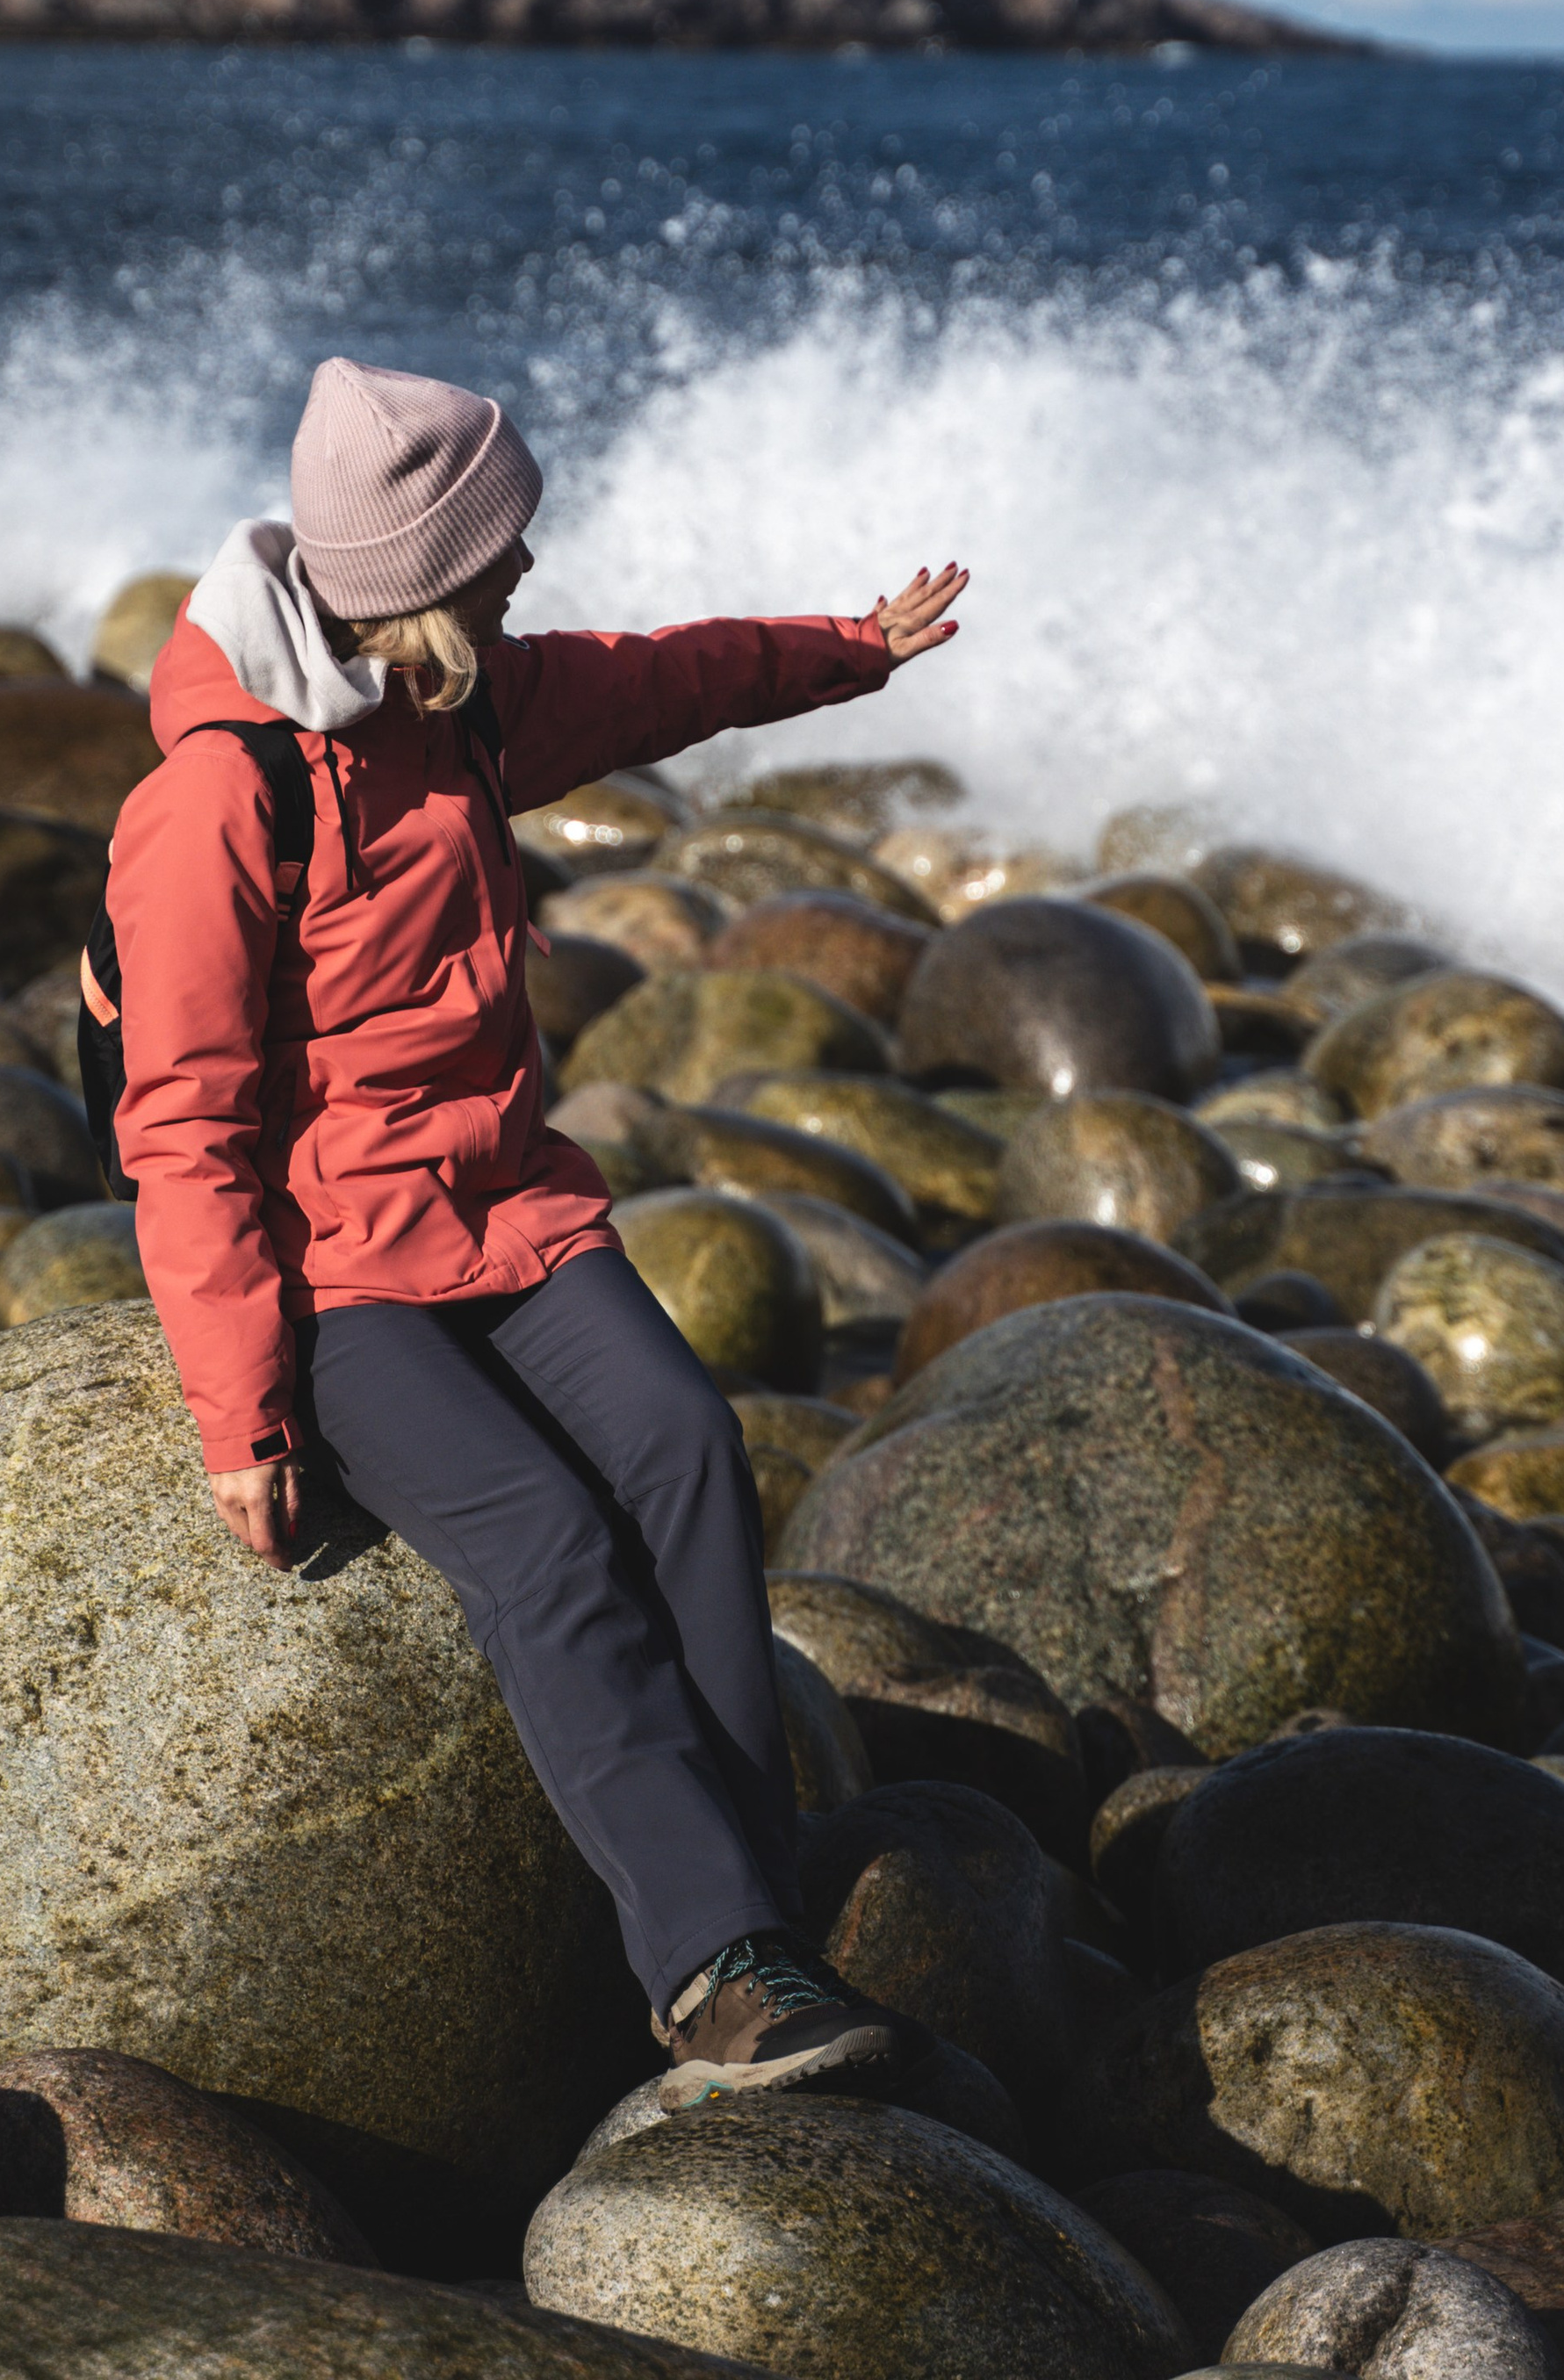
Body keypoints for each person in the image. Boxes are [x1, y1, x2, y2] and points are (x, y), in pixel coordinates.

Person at [105, 353, 968, 2106]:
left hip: (508, 1206)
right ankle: (710, 1967)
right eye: (501, 545)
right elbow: (182, 1124)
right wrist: (241, 1417)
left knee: (685, 1441)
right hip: (334, 1265)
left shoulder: (467, 702)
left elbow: (663, 682)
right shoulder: (220, 798)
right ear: (420, 575)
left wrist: (845, 649)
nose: (527, 566)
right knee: (548, 1545)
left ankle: (758, 1906)